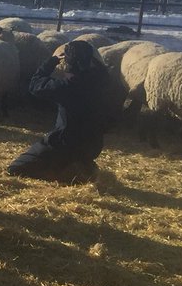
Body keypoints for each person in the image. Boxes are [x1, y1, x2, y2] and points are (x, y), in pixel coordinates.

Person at [7, 39, 114, 183]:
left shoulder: (66, 86)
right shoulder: (103, 82)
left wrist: (52, 62)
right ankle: (83, 165)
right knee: (78, 149)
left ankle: (63, 173)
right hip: (92, 146)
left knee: (15, 169)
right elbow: (99, 72)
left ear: (68, 63)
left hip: (63, 144)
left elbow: (34, 85)